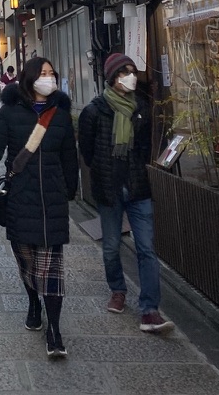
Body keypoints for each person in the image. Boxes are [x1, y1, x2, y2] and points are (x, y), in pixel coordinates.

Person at [0, 58, 78, 356]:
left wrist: (71, 188)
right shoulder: (10, 113)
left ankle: (55, 331)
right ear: (30, 79)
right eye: (43, 74)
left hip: (52, 199)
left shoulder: (61, 114)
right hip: (19, 196)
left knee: (52, 268)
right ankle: (33, 299)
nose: (49, 78)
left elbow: (70, 155)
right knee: (27, 262)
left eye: (51, 74)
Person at [78, 51, 174, 334]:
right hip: (109, 189)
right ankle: (118, 290)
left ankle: (149, 309)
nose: (130, 77)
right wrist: (103, 172)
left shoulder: (141, 109)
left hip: (138, 188)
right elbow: (87, 150)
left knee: (146, 248)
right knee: (110, 246)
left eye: (132, 71)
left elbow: (145, 148)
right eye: (123, 72)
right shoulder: (95, 111)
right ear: (112, 78)